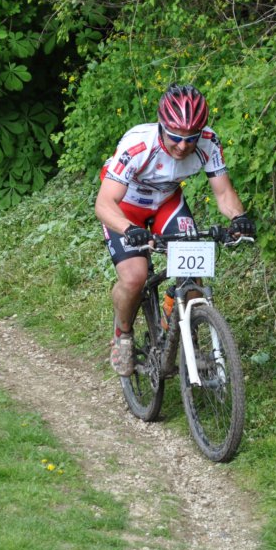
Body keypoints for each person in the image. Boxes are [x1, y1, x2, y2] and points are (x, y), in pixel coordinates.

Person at [95, 83, 256, 376]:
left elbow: (223, 193)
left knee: (192, 273)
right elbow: (105, 203)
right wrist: (129, 228)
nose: (183, 146)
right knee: (134, 278)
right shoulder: (138, 145)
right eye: (175, 137)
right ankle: (123, 334)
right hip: (125, 206)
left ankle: (183, 335)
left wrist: (239, 218)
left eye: (190, 138)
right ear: (161, 125)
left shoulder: (209, 142)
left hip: (167, 202)